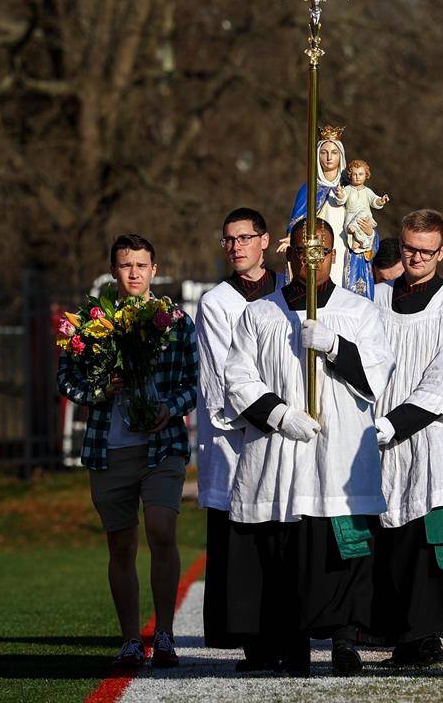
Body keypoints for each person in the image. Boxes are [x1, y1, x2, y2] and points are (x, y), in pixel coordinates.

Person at [220, 217, 395, 676]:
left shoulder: (360, 313)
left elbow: (377, 376)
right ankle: (283, 642)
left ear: (334, 256)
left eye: (319, 251)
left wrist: (336, 346)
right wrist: (279, 414)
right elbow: (237, 379)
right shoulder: (260, 315)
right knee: (282, 551)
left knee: (341, 549)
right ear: (289, 255)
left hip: (336, 456)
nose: (309, 259)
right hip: (280, 453)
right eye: (301, 251)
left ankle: (344, 640)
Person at [57, 234, 198, 669]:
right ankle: (130, 640)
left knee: (161, 529)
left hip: (162, 445)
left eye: (141, 264)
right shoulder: (90, 323)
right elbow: (67, 380)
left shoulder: (176, 321)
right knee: (120, 545)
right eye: (125, 265)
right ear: (113, 270)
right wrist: (102, 388)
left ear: (154, 270)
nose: (134, 272)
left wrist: (167, 408)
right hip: (108, 446)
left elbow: (194, 385)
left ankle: (167, 636)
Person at [372, 209, 443, 667]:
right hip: (382, 445)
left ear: (442, 251)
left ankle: (429, 636)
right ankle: (400, 634)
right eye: (409, 248)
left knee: (435, 545)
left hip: (435, 442)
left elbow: (442, 383)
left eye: (426, 250)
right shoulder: (375, 300)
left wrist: (392, 424)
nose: (416, 257)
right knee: (394, 544)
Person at [195, 207, 283, 651]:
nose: (236, 247)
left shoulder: (289, 291)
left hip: (287, 435)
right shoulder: (217, 303)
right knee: (240, 539)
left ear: (265, 241)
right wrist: (272, 415)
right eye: (229, 240)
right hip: (238, 435)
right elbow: (223, 377)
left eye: (245, 238)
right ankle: (245, 633)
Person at [278, 125, 378, 298]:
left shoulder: (353, 189)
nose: (329, 157)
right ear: (317, 156)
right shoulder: (309, 190)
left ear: (341, 155)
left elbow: (369, 227)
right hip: (318, 254)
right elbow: (298, 224)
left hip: (347, 254)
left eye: (334, 152)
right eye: (324, 152)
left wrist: (369, 234)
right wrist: (291, 238)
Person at [333, 159, 390, 253]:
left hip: (365, 218)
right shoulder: (347, 189)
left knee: (363, 215)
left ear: (366, 175)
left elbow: (374, 201)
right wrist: (340, 194)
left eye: (360, 174)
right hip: (351, 218)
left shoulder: (367, 191)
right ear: (350, 176)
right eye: (354, 174)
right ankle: (359, 241)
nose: (357, 177)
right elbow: (341, 200)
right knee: (357, 230)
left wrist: (381, 200)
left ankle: (359, 241)